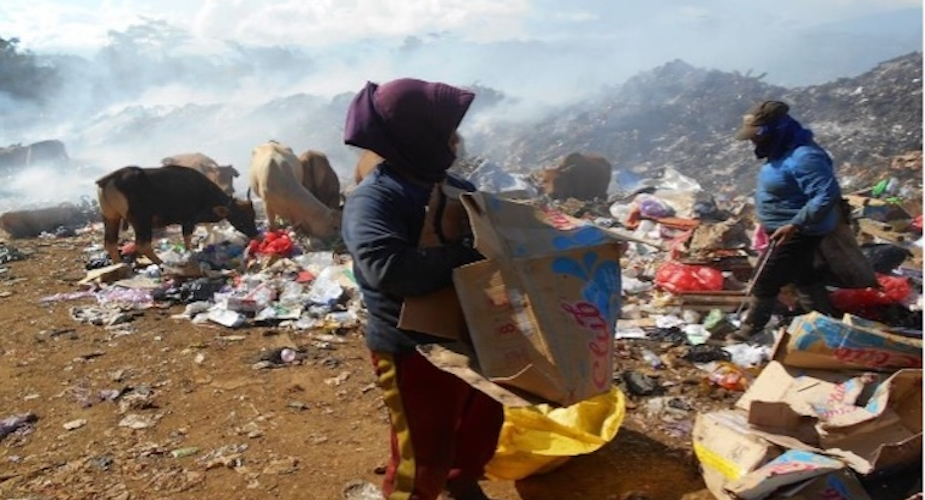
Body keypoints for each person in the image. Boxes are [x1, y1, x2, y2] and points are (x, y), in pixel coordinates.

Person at [341, 78, 503, 500]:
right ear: (419, 136)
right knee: (423, 451)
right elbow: (388, 269)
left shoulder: (455, 188)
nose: (457, 139)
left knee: (479, 421)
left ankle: (460, 481)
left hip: (469, 332)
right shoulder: (376, 199)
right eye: (446, 130)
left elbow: (492, 239)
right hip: (410, 346)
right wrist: (466, 255)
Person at [731, 100, 841, 340]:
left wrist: (796, 224)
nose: (753, 140)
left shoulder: (805, 156)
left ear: (776, 129)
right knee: (803, 274)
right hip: (782, 227)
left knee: (765, 279)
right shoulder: (780, 152)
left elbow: (827, 193)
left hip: (799, 230)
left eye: (757, 134)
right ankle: (825, 323)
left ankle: (750, 331)